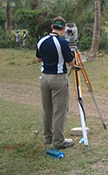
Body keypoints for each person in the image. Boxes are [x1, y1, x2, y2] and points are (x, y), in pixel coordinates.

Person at [36, 16, 75, 149]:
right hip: (58, 79)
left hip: (44, 78)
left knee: (47, 110)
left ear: (52, 27)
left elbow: (38, 59)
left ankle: (48, 137)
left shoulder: (41, 40)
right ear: (64, 28)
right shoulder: (62, 42)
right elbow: (71, 63)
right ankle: (58, 142)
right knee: (60, 111)